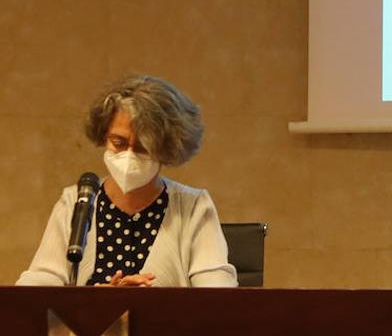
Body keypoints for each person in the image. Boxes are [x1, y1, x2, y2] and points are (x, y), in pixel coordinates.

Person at [17, 75, 237, 287]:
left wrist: (148, 300)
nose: (129, 155)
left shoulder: (193, 207)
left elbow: (217, 292)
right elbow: (39, 284)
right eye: (119, 142)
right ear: (104, 137)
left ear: (166, 148)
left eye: (142, 147)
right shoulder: (76, 201)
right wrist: (97, 298)